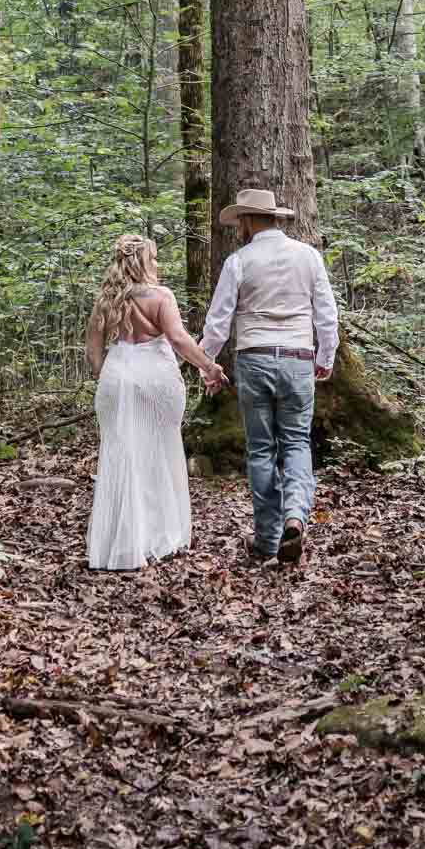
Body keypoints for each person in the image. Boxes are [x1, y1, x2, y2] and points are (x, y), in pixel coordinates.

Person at [199, 187, 339, 566]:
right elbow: (327, 315)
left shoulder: (239, 261)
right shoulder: (308, 256)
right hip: (297, 358)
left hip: (254, 358)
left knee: (261, 449)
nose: (238, 228)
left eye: (240, 222)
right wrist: (325, 356)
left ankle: (266, 538)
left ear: (247, 220)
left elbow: (218, 321)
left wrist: (206, 362)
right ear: (274, 217)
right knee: (296, 443)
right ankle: (295, 517)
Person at [85, 234, 224, 571]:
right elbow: (177, 338)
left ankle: (120, 544)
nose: (157, 264)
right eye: (154, 258)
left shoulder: (106, 300)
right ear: (142, 262)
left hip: (116, 377)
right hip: (155, 378)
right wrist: (209, 366)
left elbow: (92, 351)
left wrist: (110, 372)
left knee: (121, 455)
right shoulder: (162, 296)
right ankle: (159, 536)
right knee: (160, 452)